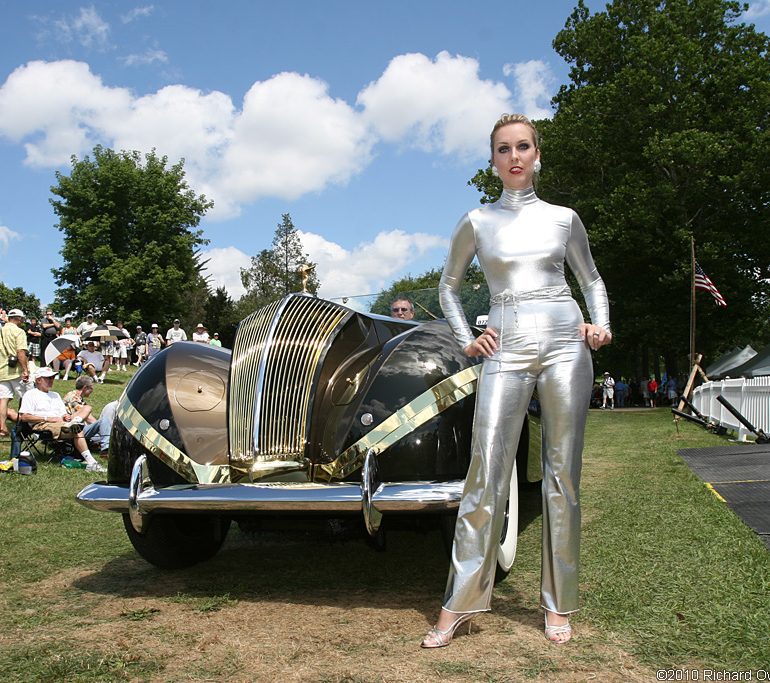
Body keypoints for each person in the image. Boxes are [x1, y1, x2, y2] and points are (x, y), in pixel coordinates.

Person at [425, 113, 611, 649]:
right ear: (493, 161)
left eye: (523, 146)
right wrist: (467, 337)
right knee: (486, 471)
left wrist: (601, 325)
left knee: (562, 475)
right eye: (504, 149)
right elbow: (449, 287)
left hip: (564, 344)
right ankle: (458, 603)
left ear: (536, 155)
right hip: (503, 346)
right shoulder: (476, 221)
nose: (514, 156)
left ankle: (558, 604)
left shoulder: (563, 219)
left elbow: (591, 279)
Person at [19, 367, 105, 472]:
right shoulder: (30, 394)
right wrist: (48, 418)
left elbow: (63, 413)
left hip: (62, 422)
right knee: (77, 429)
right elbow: (24, 417)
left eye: (52, 378)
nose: (51, 380)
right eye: (48, 378)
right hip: (43, 424)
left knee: (86, 409)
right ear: (38, 380)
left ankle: (76, 423)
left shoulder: (55, 395)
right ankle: (92, 462)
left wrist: (65, 416)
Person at [64, 375, 117, 454]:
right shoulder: (74, 398)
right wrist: (101, 426)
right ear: (85, 388)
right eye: (91, 388)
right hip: (75, 430)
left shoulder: (78, 398)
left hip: (81, 428)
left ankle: (97, 444)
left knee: (105, 436)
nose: (92, 390)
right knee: (104, 423)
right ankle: (105, 450)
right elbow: (88, 418)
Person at [0, 309, 31, 437]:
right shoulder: (19, 332)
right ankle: (22, 425)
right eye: (22, 319)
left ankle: (2, 427)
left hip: (1, 369)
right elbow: (21, 352)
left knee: (3, 400)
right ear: (18, 318)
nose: (23, 321)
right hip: (15, 371)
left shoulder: (1, 330)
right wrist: (25, 369)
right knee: (25, 397)